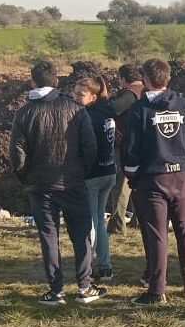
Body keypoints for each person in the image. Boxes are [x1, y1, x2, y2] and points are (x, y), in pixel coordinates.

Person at [10, 60, 104, 306]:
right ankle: (85, 286)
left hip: (41, 186)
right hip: (73, 182)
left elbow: (17, 155)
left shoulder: (24, 113)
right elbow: (90, 146)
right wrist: (83, 171)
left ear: (32, 82)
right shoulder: (76, 109)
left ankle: (56, 289)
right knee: (81, 235)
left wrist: (25, 177)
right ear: (57, 82)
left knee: (49, 237)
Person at [122, 59, 185, 305]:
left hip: (151, 179)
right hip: (181, 177)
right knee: (184, 232)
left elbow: (131, 150)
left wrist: (132, 176)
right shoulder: (183, 105)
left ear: (146, 80)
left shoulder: (138, 111)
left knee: (157, 235)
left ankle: (157, 291)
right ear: (168, 78)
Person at [74, 76, 117, 282]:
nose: (75, 97)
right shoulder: (108, 112)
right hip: (109, 171)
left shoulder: (88, 117)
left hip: (92, 176)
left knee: (90, 222)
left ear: (93, 96)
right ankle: (106, 266)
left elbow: (87, 148)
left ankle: (88, 267)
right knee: (99, 220)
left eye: (80, 94)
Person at [106, 64, 145, 237]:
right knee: (140, 186)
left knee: (121, 187)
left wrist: (108, 99)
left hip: (125, 146)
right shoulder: (146, 91)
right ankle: (139, 220)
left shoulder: (130, 94)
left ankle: (117, 225)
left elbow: (112, 109)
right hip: (144, 145)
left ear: (123, 79)